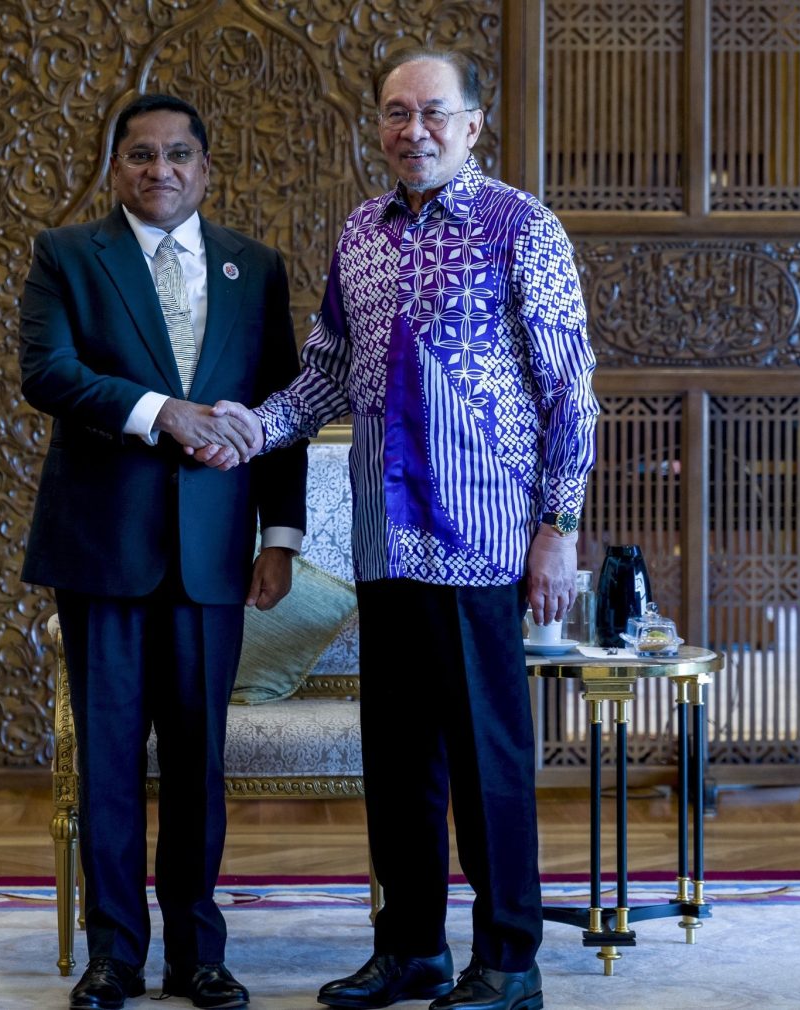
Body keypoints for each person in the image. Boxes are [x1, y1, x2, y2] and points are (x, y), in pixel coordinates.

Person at [197, 48, 598, 1010]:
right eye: (394, 113)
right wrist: (251, 427)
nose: (412, 130)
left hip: (479, 540)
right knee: (398, 759)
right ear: (377, 125)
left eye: (432, 112)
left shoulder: (520, 227)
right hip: (385, 540)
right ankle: (412, 948)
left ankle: (509, 962)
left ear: (472, 125)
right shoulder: (362, 232)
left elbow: (571, 391)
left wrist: (558, 528)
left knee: (487, 761)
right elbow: (327, 374)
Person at [18, 93, 307, 1010]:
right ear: (115, 168)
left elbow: (284, 410)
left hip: (214, 555)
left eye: (179, 154)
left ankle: (197, 955)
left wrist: (281, 537)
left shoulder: (255, 267)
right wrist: (161, 413)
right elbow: (47, 373)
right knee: (108, 759)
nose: (161, 170)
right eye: (141, 155)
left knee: (196, 762)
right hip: (102, 549)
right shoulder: (67, 255)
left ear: (205, 168)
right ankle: (114, 956)